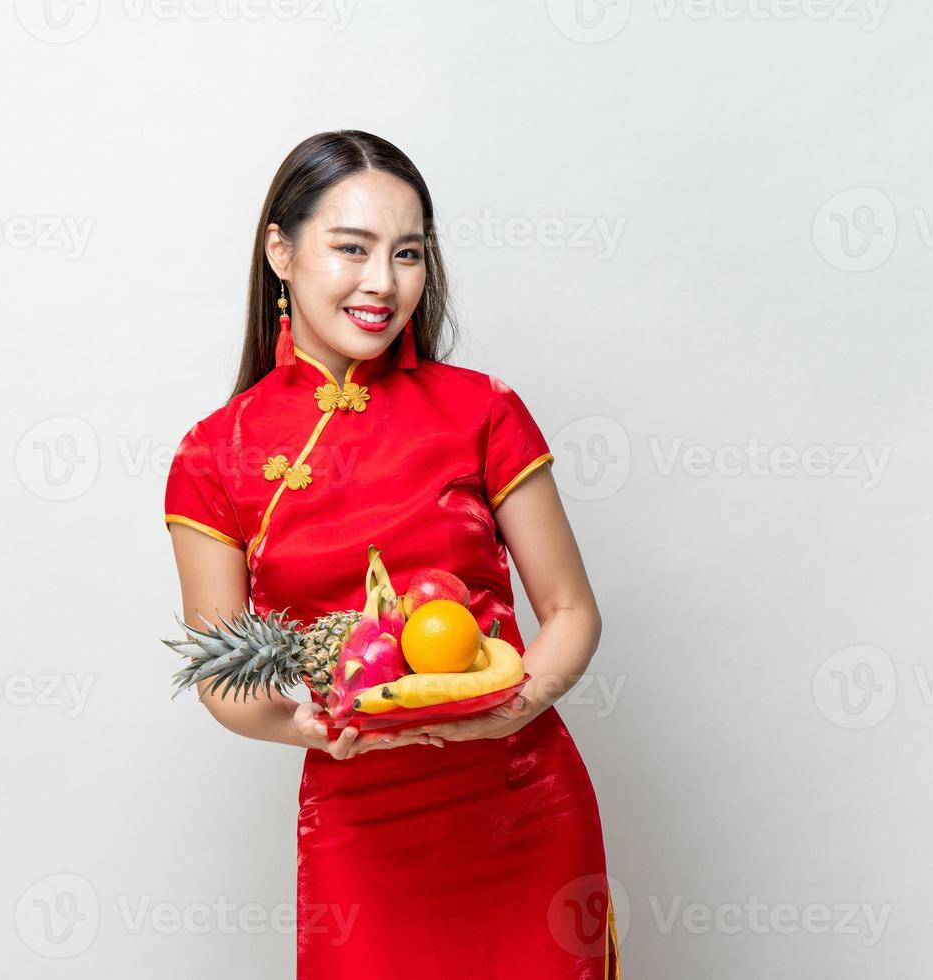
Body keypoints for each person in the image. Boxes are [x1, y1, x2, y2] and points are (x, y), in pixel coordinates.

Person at [164, 130, 620, 979]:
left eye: (406, 253)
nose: (383, 283)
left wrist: (520, 705)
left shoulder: (482, 410)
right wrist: (308, 729)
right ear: (281, 252)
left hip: (520, 800)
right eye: (352, 248)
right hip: (360, 822)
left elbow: (569, 610)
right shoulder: (212, 456)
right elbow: (223, 673)